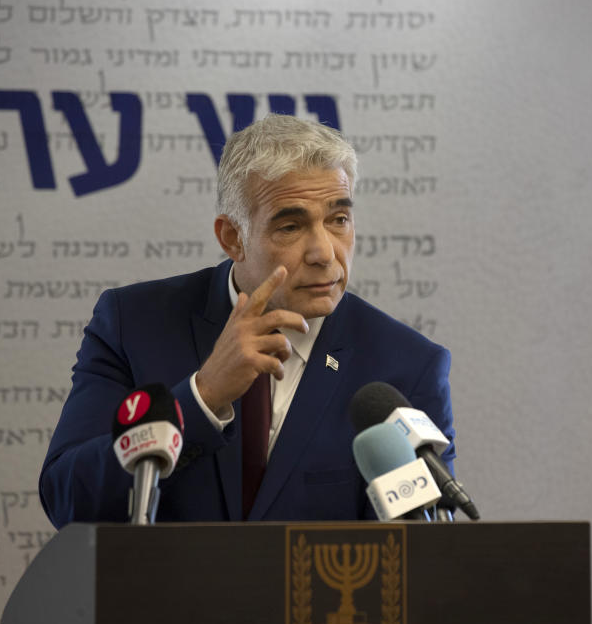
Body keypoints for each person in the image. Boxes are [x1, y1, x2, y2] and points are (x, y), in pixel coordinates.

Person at [40, 114, 455, 527]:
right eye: (291, 226)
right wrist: (201, 398)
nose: (325, 253)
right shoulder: (133, 324)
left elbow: (423, 553)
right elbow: (68, 499)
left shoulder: (406, 368)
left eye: (338, 220)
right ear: (232, 238)